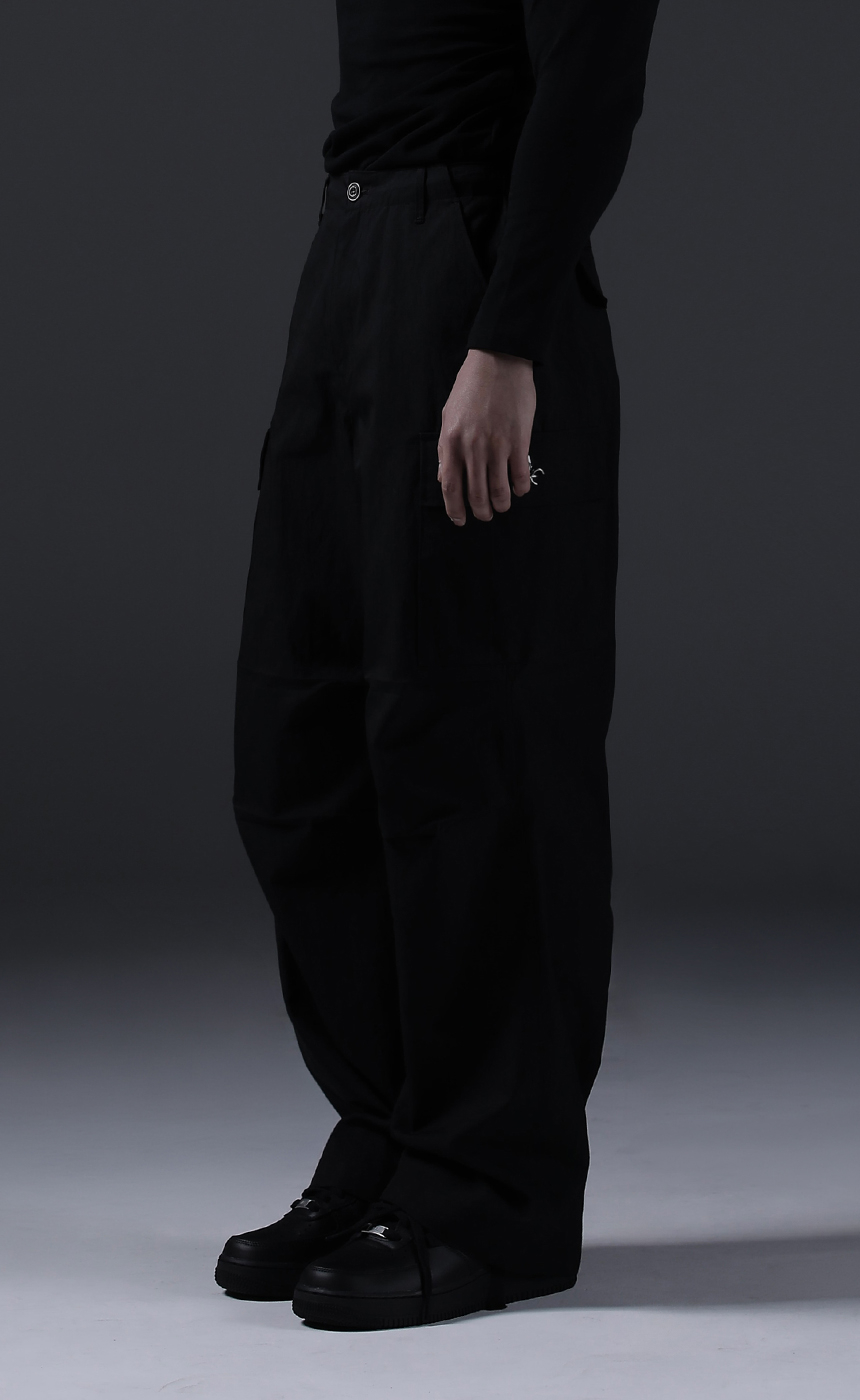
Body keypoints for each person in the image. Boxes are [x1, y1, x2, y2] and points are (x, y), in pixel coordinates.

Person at [215, 0, 660, 1331]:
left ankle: (491, 1194)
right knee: (302, 748)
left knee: (477, 755)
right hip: (350, 249)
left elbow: (592, 73)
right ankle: (396, 1131)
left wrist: (508, 335)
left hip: (471, 266)